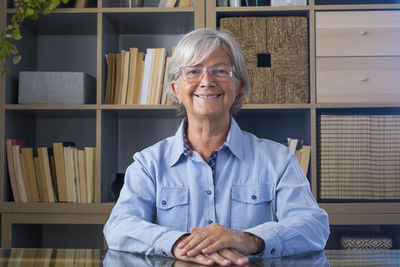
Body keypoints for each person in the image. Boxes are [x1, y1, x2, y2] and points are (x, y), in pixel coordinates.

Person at [103, 28, 330, 266]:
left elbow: (313, 227)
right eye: (193, 72)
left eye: (221, 71)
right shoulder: (148, 164)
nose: (207, 81)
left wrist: (249, 239)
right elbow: (119, 227)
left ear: (239, 86)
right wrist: (181, 243)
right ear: (176, 90)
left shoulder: (279, 160)